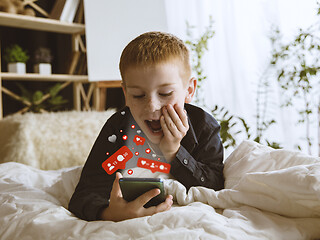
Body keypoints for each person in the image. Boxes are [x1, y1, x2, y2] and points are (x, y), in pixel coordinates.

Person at [68, 31, 224, 222]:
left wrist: (174, 152)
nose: (152, 106)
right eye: (138, 95)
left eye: (165, 93)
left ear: (189, 90)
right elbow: (86, 192)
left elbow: (215, 186)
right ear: (125, 93)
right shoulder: (118, 130)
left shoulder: (203, 126)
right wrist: (109, 213)